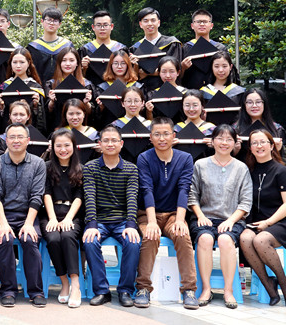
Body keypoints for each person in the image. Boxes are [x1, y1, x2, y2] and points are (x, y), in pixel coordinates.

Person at [133, 116, 199, 310]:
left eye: (165, 134)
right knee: (150, 236)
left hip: (173, 214)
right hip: (147, 214)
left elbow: (184, 189)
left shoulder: (185, 158)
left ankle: (189, 290)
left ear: (173, 135)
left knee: (183, 235)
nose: (161, 138)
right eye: (157, 134)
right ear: (150, 137)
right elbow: (146, 189)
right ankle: (143, 288)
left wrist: (180, 220)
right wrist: (152, 222)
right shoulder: (144, 158)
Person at [188, 124, 252, 308]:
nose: (224, 143)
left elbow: (245, 201)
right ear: (212, 141)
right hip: (204, 217)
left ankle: (228, 290)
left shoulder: (241, 168)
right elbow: (192, 195)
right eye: (220, 138)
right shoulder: (200, 165)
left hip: (232, 219)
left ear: (235, 143)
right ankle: (206, 289)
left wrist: (231, 220)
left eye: (229, 139)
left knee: (225, 240)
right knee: (205, 239)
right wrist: (200, 215)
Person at [240, 128, 286, 308]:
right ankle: (268, 284)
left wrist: (268, 222)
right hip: (258, 222)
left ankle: (284, 283)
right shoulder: (248, 171)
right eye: (254, 143)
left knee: (260, 241)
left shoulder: (281, 170)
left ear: (271, 146)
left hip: (283, 222)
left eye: (263, 142)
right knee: (245, 238)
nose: (259, 146)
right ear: (250, 148)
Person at [81, 125, 140, 307]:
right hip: (99, 221)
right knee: (89, 242)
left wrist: (131, 224)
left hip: (122, 221)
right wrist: (92, 224)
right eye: (106, 140)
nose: (110, 144)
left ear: (121, 144)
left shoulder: (131, 169)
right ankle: (102, 291)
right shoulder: (90, 168)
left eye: (114, 140)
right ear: (99, 144)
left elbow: (132, 198)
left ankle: (125, 290)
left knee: (133, 243)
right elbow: (89, 197)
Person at [0, 123, 47, 307]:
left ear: (28, 140)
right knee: (4, 238)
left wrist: (29, 223)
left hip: (28, 214)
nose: (16, 140)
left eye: (20, 137)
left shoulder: (38, 163)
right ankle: (8, 290)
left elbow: (37, 196)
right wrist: (3, 223)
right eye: (12, 137)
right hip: (2, 214)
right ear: (6, 140)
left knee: (30, 240)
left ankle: (36, 291)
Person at [41, 128, 84, 308]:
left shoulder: (81, 169)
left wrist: (68, 219)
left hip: (72, 213)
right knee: (53, 238)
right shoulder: (46, 167)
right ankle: (64, 282)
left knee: (67, 236)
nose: (63, 149)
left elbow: (79, 196)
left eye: (67, 145)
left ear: (74, 146)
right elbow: (46, 193)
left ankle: (75, 283)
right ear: (52, 147)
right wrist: (52, 218)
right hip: (50, 212)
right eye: (58, 146)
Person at [234, 88, 286, 170]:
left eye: (258, 102)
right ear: (244, 105)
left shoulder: (276, 129)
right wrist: (235, 150)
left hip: (270, 174)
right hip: (244, 174)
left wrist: (279, 150)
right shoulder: (235, 129)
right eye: (249, 102)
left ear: (264, 104)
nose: (254, 106)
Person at [128, 7, 182, 91]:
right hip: (143, 93)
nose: (150, 24)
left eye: (153, 20)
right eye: (146, 21)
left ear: (158, 23)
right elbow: (134, 76)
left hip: (167, 90)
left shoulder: (171, 43)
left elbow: (175, 70)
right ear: (140, 24)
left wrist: (147, 73)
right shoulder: (135, 48)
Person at [0, 48, 47, 133]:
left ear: (29, 63)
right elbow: (0, 118)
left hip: (29, 132)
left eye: (22, 62)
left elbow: (41, 119)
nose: (18, 66)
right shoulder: (4, 86)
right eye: (15, 62)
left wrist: (35, 106)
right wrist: (1, 107)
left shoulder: (35, 87)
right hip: (8, 131)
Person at [46, 47, 94, 130]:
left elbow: (93, 115)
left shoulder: (86, 85)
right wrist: (52, 102)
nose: (67, 64)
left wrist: (87, 103)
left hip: (81, 129)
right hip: (58, 129)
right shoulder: (52, 84)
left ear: (77, 63)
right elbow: (47, 113)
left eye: (71, 60)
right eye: (64, 60)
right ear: (59, 63)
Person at [181, 9, 228, 90]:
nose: (202, 24)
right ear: (192, 26)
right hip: (191, 92)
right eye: (198, 22)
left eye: (205, 22)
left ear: (211, 25)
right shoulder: (185, 48)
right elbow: (177, 75)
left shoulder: (220, 48)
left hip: (215, 91)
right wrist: (183, 67)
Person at [27, 7, 74, 86]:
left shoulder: (67, 46)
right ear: (42, 21)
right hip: (38, 87)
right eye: (49, 20)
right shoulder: (33, 47)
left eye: (55, 21)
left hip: (62, 87)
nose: (51, 23)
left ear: (60, 24)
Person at [79, 10, 127, 87]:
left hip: (116, 89)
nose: (102, 28)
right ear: (93, 27)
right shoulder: (85, 50)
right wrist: (83, 67)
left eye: (105, 25)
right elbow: (79, 76)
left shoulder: (121, 49)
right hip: (91, 90)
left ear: (111, 26)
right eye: (98, 25)